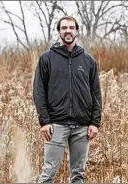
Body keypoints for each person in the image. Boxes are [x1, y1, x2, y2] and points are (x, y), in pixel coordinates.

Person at [33, 15, 102, 183]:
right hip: (56, 125)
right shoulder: (47, 58)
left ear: (76, 31)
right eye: (64, 28)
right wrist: (45, 121)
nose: (68, 31)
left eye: (71, 28)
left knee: (78, 175)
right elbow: (38, 91)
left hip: (82, 126)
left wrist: (94, 122)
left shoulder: (88, 60)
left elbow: (96, 93)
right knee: (49, 172)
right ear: (59, 32)